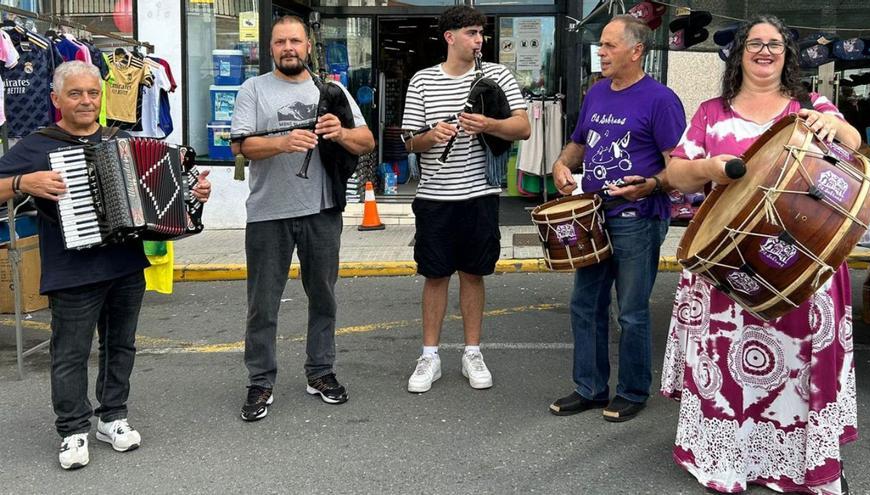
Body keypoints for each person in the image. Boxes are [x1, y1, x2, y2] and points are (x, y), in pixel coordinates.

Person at [661, 16, 859, 494]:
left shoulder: (811, 105)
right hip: (730, 266)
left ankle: (801, 462)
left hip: (805, 262)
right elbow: (675, 175)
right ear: (739, 53)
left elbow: (852, 145)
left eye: (775, 44)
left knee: (798, 365)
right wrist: (709, 168)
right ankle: (734, 458)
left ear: (787, 55)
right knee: (734, 364)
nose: (765, 51)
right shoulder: (711, 112)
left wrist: (834, 125)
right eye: (755, 43)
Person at [0, 60, 211, 470]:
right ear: (56, 99)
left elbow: (173, 195)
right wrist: (23, 183)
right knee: (70, 353)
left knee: (121, 346)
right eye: (75, 93)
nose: (85, 101)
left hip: (124, 265)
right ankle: (72, 428)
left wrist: (195, 193)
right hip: (72, 269)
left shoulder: (122, 139)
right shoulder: (37, 145)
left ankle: (112, 416)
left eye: (92, 93)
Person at [231, 15, 374, 421]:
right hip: (268, 214)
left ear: (308, 46)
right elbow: (239, 148)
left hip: (322, 210)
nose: (288, 48)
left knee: (324, 297)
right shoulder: (252, 90)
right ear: (271, 48)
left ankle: (321, 371)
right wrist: (281, 142)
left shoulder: (332, 90)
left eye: (295, 40)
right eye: (280, 42)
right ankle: (260, 380)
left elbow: (366, 141)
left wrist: (340, 132)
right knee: (262, 305)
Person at [549, 14, 686, 421]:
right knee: (584, 304)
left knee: (631, 310)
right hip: (592, 216)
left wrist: (651, 185)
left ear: (636, 50)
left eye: (609, 45)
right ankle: (589, 388)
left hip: (638, 217)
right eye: (601, 45)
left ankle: (632, 390)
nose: (602, 52)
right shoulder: (597, 92)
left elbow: (677, 167)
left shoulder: (661, 99)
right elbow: (579, 142)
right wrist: (560, 164)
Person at [401, 5, 530, 393]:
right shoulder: (422, 81)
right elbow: (409, 140)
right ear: (450, 37)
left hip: (480, 194)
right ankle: (430, 355)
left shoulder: (497, 75)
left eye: (481, 34)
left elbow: (522, 127)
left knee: (474, 273)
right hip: (436, 196)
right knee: (435, 274)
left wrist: (489, 124)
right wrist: (431, 136)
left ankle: (472, 351)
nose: (479, 41)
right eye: (472, 33)